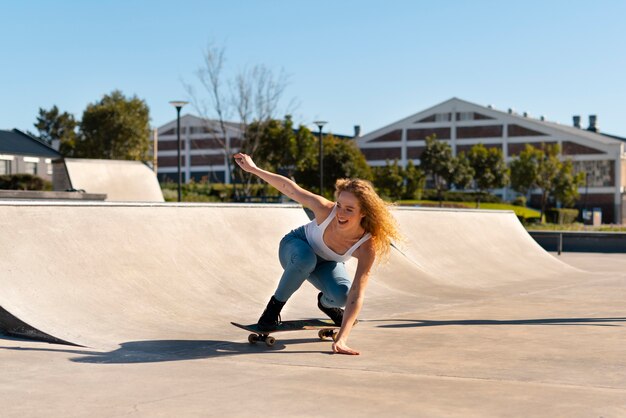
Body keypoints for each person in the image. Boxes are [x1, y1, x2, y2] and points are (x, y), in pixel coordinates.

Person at [234, 152, 401, 355]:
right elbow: (290, 189)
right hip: (295, 247)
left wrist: (342, 339)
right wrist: (253, 169)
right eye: (340, 205)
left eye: (350, 209)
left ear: (363, 213)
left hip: (327, 263)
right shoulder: (325, 210)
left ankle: (326, 304)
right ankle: (272, 311)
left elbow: (357, 292)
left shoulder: (366, 245)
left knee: (343, 296)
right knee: (306, 259)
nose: (340, 213)